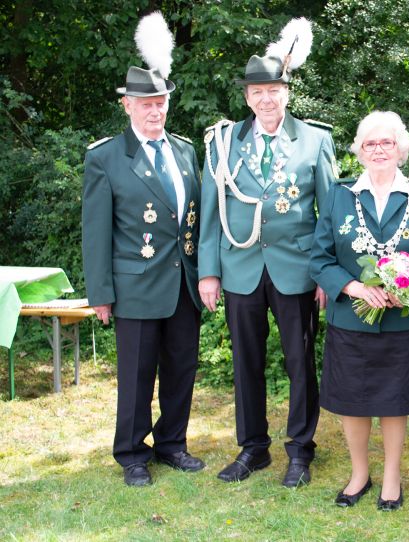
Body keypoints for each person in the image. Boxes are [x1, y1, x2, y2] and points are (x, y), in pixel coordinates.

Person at [198, 18, 336, 488]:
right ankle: (253, 447)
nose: (266, 99)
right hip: (239, 270)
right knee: (246, 363)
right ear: (247, 97)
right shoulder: (221, 142)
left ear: (286, 92)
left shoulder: (316, 140)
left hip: (296, 270)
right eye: (257, 91)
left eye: (273, 89)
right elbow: (212, 213)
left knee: (300, 364)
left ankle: (300, 449)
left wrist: (326, 274)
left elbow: (329, 213)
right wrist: (208, 273)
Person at [81, 12, 204, 486]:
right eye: (145, 104)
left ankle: (172, 442)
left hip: (182, 283)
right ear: (127, 107)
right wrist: (101, 293)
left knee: (181, 369)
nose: (155, 111)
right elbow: (95, 230)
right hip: (132, 285)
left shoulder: (185, 151)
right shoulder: (106, 157)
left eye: (161, 103)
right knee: (136, 375)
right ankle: (132, 453)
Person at [310, 111, 409, 510]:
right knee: (350, 399)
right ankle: (359, 474)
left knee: (392, 400)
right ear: (360, 151)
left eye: (386, 142)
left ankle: (391, 477)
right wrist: (353, 287)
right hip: (349, 317)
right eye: (370, 143)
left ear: (401, 149)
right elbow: (320, 259)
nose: (379, 149)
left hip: (400, 321)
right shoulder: (340, 194)